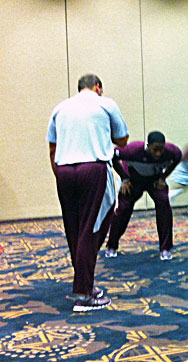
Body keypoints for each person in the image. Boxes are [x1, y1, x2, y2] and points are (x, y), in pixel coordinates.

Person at [46, 73, 129, 312]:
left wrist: (59, 173)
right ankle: (84, 294)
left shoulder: (60, 108)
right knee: (92, 228)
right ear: (97, 87)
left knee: (74, 227)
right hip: (93, 168)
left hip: (64, 170)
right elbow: (122, 140)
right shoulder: (106, 104)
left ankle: (85, 284)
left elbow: (52, 147)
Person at [105, 131, 182, 260]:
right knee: (124, 208)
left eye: (161, 150)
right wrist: (124, 178)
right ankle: (112, 245)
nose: (158, 154)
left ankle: (165, 248)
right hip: (133, 180)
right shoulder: (131, 151)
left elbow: (177, 158)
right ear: (148, 146)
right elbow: (112, 156)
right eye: (155, 150)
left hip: (154, 180)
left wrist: (163, 177)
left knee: (164, 204)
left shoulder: (172, 151)